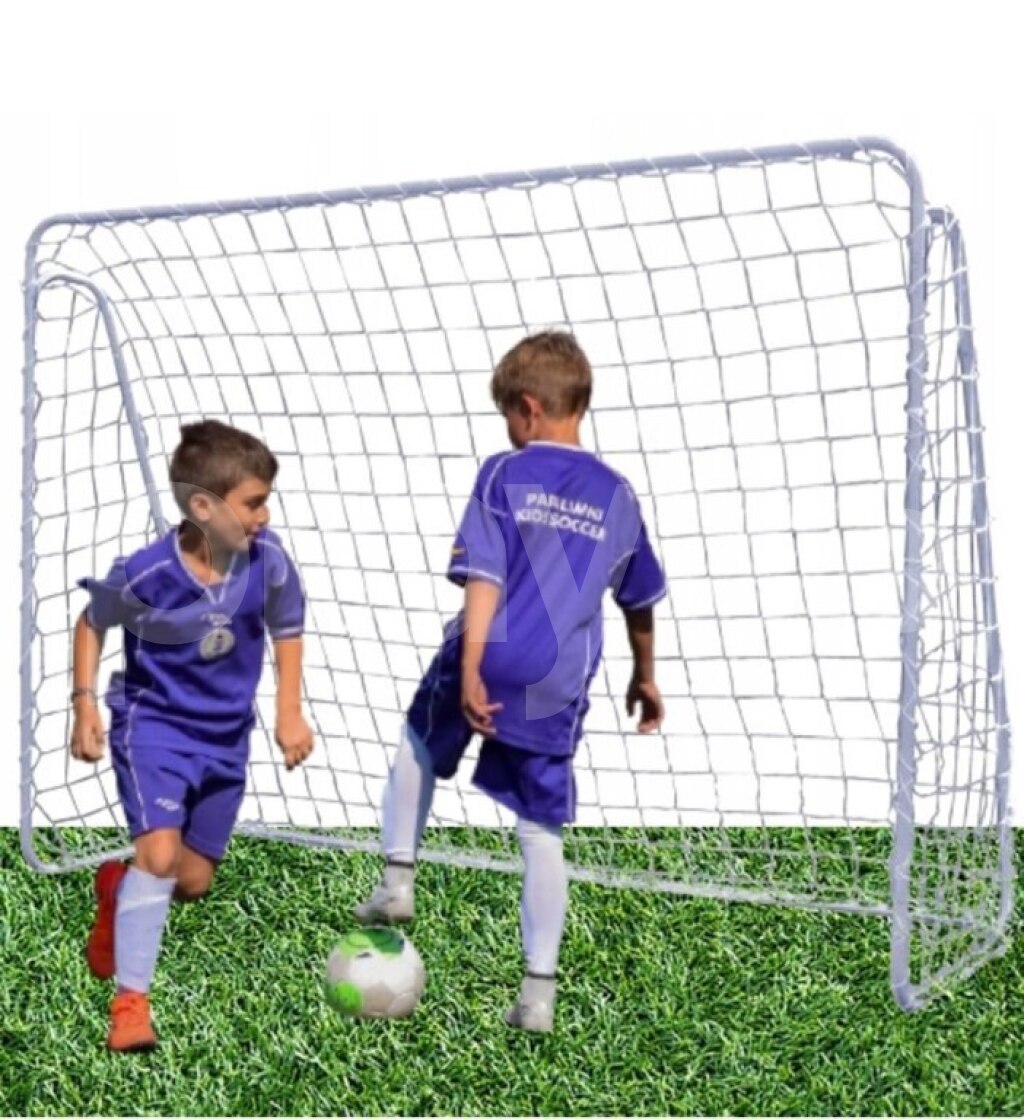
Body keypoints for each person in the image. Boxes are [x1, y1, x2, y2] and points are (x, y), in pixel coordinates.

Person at [356, 331, 666, 1032]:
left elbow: (484, 576)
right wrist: (645, 676)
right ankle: (537, 994)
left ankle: (398, 880)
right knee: (539, 831)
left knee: (417, 743)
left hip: (492, 655)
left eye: (505, 413)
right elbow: (639, 599)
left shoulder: (505, 472)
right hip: (558, 682)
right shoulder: (618, 495)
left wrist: (470, 667)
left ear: (528, 408)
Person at [70, 419, 314, 1052]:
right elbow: (91, 622)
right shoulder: (148, 573)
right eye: (253, 503)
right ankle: (130, 1007)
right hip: (154, 729)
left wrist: (289, 712)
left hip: (226, 739)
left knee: (192, 881)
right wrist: (84, 705)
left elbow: (287, 627)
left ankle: (119, 890)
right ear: (204, 508)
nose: (264, 516)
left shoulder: (269, 561)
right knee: (158, 856)